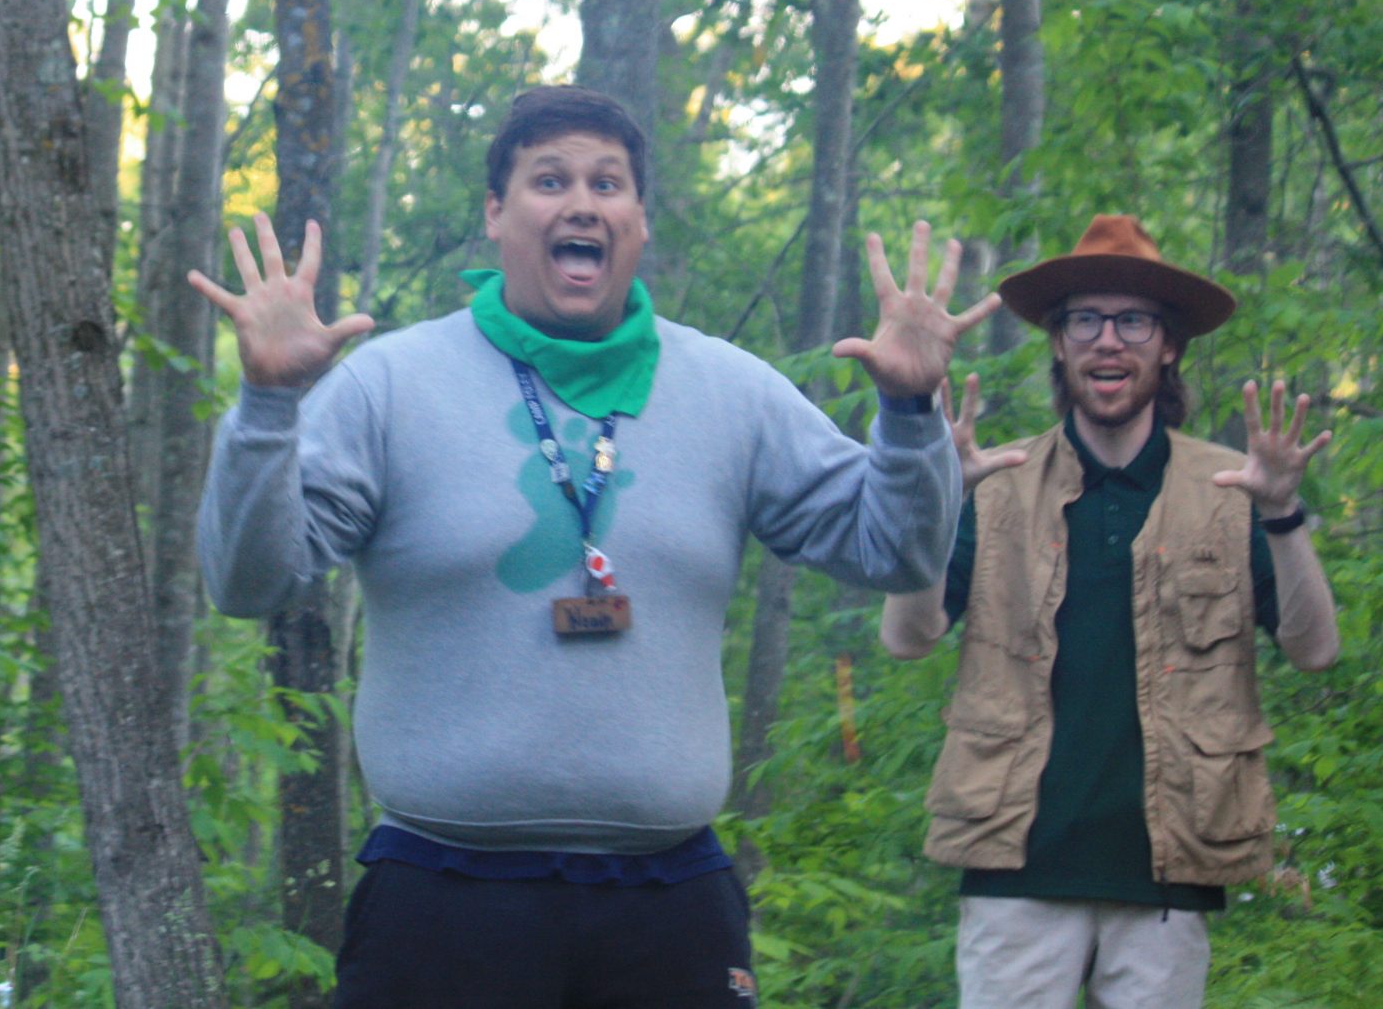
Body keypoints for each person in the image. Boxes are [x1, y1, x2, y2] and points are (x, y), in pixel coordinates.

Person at [191, 85, 997, 1007]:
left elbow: (896, 554)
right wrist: (264, 406)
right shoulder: (390, 385)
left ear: (640, 221)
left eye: (609, 183)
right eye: (550, 179)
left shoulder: (732, 392)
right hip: (440, 896)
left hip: (670, 906)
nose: (583, 202)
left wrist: (908, 416)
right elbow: (248, 579)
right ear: (496, 215)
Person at [880, 215, 1340, 1009]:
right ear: (1059, 343)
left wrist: (1284, 516)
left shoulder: (1234, 491)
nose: (1108, 341)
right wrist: (935, 502)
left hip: (1167, 877)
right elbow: (906, 636)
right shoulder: (998, 482)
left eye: (1133, 321)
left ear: (1169, 346)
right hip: (1014, 869)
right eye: (1085, 320)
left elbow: (1315, 649)